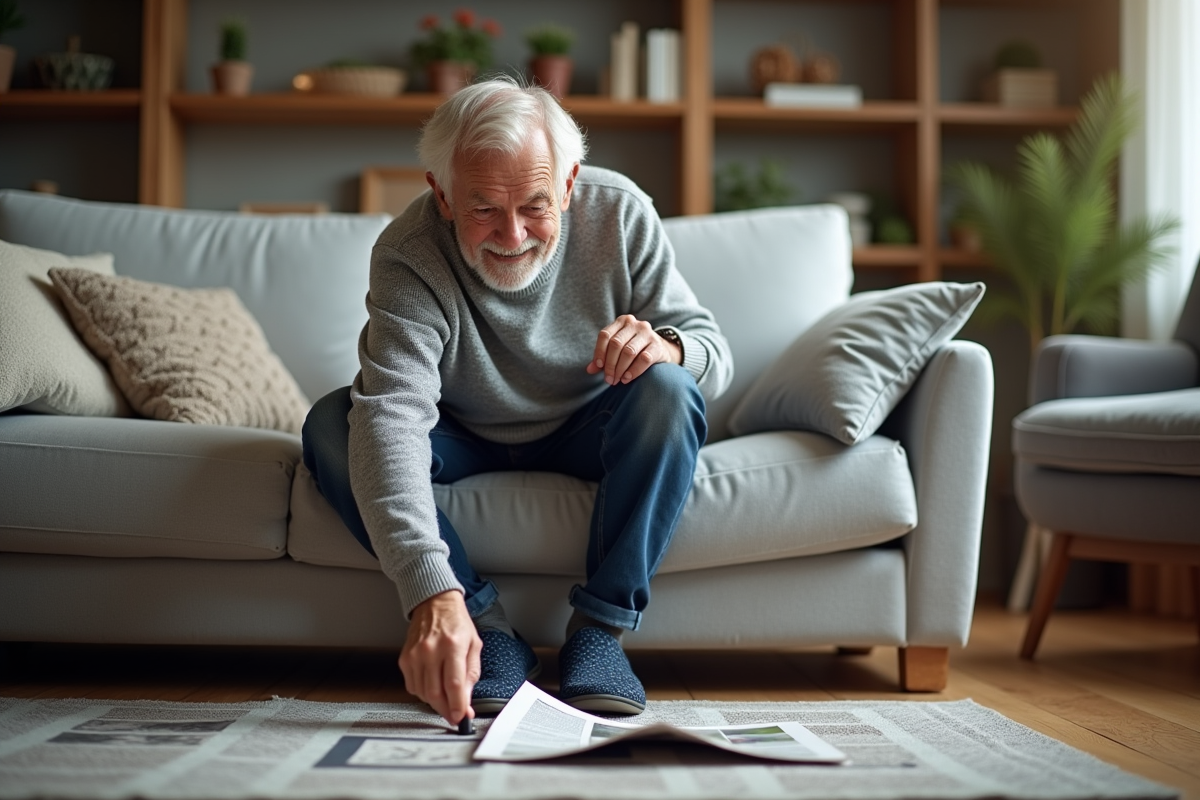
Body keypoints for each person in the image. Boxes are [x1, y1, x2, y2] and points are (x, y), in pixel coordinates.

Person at [302, 77, 732, 728]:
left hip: (592, 423)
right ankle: (488, 630)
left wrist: (666, 346)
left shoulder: (620, 212)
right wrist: (433, 595)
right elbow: (392, 412)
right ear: (441, 193)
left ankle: (599, 633)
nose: (512, 235)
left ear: (568, 183)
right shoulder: (408, 253)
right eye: (483, 209)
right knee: (335, 423)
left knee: (670, 390)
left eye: (535, 205)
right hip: (462, 431)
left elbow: (714, 356)